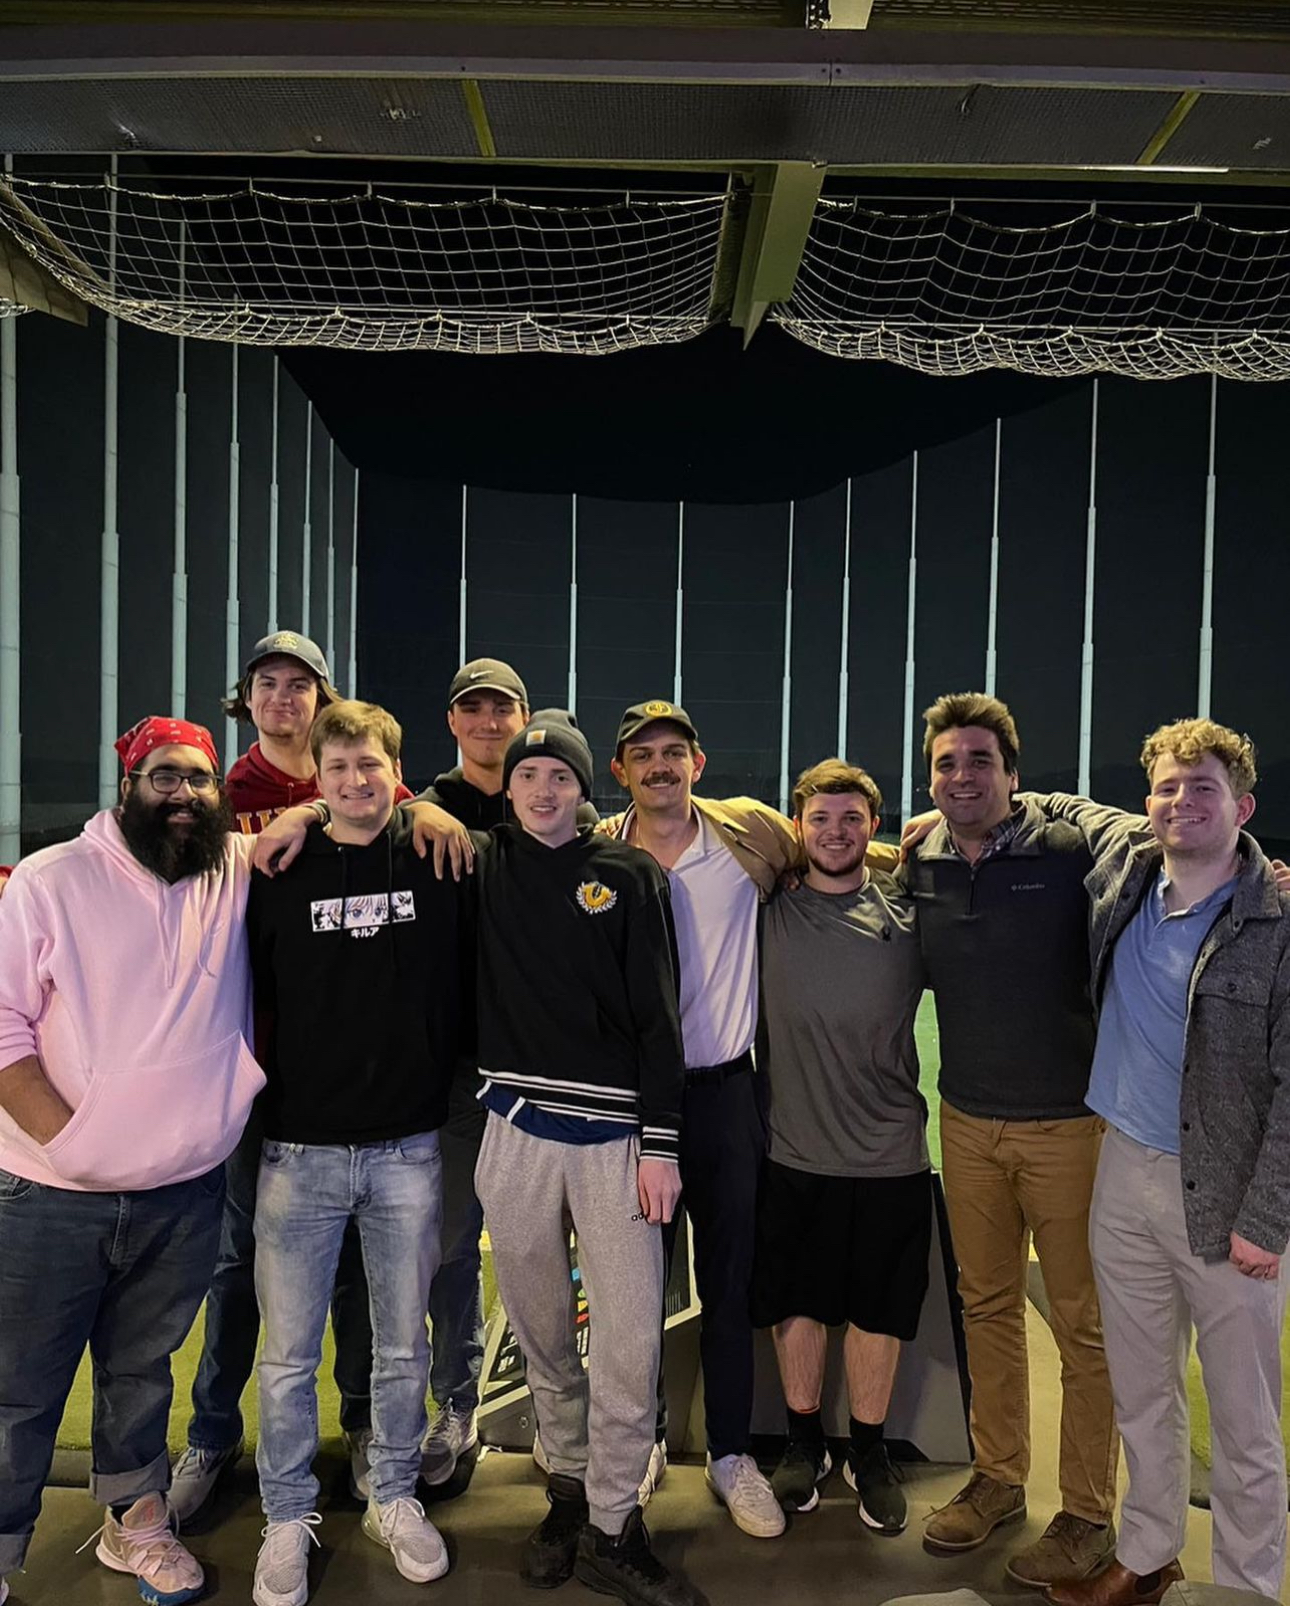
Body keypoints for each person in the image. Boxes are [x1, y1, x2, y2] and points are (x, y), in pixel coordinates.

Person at [600, 701, 898, 1540]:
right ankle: (642, 1442)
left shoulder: (747, 834)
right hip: (634, 1106)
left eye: (674, 751)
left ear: (697, 763)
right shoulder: (598, 850)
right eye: (642, 755)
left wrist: (922, 848)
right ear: (621, 771)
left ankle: (730, 1453)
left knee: (731, 1286)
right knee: (632, 1290)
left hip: (729, 1097)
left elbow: (834, 848)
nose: (660, 765)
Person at [0, 717, 269, 1606]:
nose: (182, 794)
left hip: (181, 1193)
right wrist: (70, 1140)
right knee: (19, 1387)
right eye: (163, 776)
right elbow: (2, 1023)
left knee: (142, 1374)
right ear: (128, 785)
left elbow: (330, 812)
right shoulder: (50, 880)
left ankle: (135, 1521)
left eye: (198, 778)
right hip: (50, 1193)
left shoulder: (231, 869)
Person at [1039, 720, 1290, 1606]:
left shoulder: (1276, 921)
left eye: (1203, 788)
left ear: (1243, 807)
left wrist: (1267, 1219)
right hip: (1123, 1170)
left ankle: (1248, 1589)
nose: (1182, 802)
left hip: (1226, 1193)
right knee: (1142, 1390)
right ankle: (1148, 1556)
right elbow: (1062, 802)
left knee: (1244, 1420)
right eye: (1168, 788)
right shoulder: (1128, 869)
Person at [173, 632, 411, 1522]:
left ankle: (361, 1429)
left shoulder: (360, 785)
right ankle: (211, 1436)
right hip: (244, 1068)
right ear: (247, 699)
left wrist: (321, 810)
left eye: (299, 683)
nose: (282, 697)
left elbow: (402, 813)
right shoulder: (218, 794)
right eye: (266, 682)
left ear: (322, 698)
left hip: (347, 1074)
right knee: (236, 1266)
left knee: (354, 1269)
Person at [472, 711, 699, 1606]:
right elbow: (386, 817)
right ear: (509, 786)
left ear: (582, 787)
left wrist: (660, 1144)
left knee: (630, 1338)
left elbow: (658, 1017)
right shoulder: (480, 862)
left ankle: (614, 1520)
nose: (542, 790)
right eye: (528, 775)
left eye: (559, 776)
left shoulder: (628, 874)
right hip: (517, 1130)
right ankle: (567, 1491)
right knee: (541, 1331)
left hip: (616, 1140)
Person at [249, 700, 472, 1606]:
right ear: (316, 776)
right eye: (335, 768)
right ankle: (284, 1514)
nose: (353, 781)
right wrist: (298, 817)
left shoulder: (438, 856)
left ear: (395, 771)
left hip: (406, 1149)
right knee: (287, 1356)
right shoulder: (278, 865)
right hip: (297, 1151)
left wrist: (432, 813)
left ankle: (393, 1494)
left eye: (369, 765)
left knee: (401, 1346)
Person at [900, 693, 1119, 1588]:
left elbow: (1153, 844)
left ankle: (1088, 1514)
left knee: (1082, 1325)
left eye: (980, 761)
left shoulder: (1067, 852)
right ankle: (997, 1478)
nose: (962, 777)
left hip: (1069, 1124)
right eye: (946, 764)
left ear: (1013, 775)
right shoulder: (919, 863)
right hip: (966, 1121)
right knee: (985, 1306)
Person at [414, 658, 597, 1493]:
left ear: (526, 718)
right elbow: (349, 806)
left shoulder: (568, 809)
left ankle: (589, 1417)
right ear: (453, 721)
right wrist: (413, 806)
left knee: (574, 1247)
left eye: (503, 708)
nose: (489, 721)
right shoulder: (426, 807)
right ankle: (457, 1403)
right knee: (452, 1243)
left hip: (551, 1072)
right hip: (460, 1066)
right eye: (473, 708)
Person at [752, 760, 930, 1534]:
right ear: (797, 826)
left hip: (891, 1154)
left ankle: (867, 1450)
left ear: (874, 826)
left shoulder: (909, 913)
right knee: (797, 1306)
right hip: (792, 1152)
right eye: (819, 818)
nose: (835, 831)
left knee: (877, 1313)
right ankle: (804, 1444)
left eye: (852, 818)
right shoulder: (767, 907)